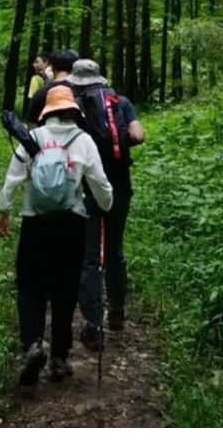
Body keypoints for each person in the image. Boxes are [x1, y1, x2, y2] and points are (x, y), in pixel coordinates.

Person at [0, 83, 113, 389]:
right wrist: (106, 204)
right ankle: (60, 358)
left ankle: (33, 344)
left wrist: (3, 210)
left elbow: (13, 178)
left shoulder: (32, 137)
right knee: (65, 291)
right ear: (73, 110)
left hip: (35, 223)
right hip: (71, 224)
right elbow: (101, 186)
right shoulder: (84, 140)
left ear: (47, 111)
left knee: (30, 288)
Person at [69, 59, 145, 349]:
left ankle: (93, 323)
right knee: (115, 247)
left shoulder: (76, 108)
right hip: (120, 186)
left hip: (86, 189)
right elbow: (138, 135)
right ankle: (117, 312)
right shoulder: (121, 102)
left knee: (89, 254)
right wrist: (119, 143)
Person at [26, 47, 78, 124]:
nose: (34, 65)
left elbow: (31, 125)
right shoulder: (80, 92)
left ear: (52, 67)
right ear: (74, 68)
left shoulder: (40, 94)